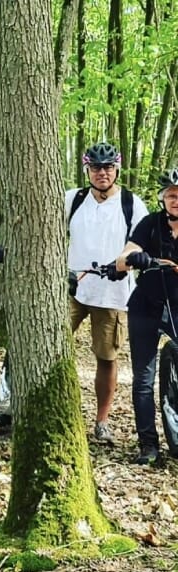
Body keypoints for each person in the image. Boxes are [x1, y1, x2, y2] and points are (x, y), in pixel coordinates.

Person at [67, 142, 148, 444]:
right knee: (49, 345)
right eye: (97, 168)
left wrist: (124, 259)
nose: (102, 173)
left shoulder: (131, 203)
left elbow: (138, 241)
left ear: (116, 169)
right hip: (72, 289)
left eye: (108, 167)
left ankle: (102, 421)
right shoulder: (72, 200)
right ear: (87, 169)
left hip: (113, 294)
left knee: (106, 357)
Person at [114, 167, 178, 465]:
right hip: (145, 306)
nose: (176, 200)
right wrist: (133, 258)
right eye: (171, 195)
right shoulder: (150, 224)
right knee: (143, 378)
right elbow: (122, 258)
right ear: (163, 198)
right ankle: (148, 446)